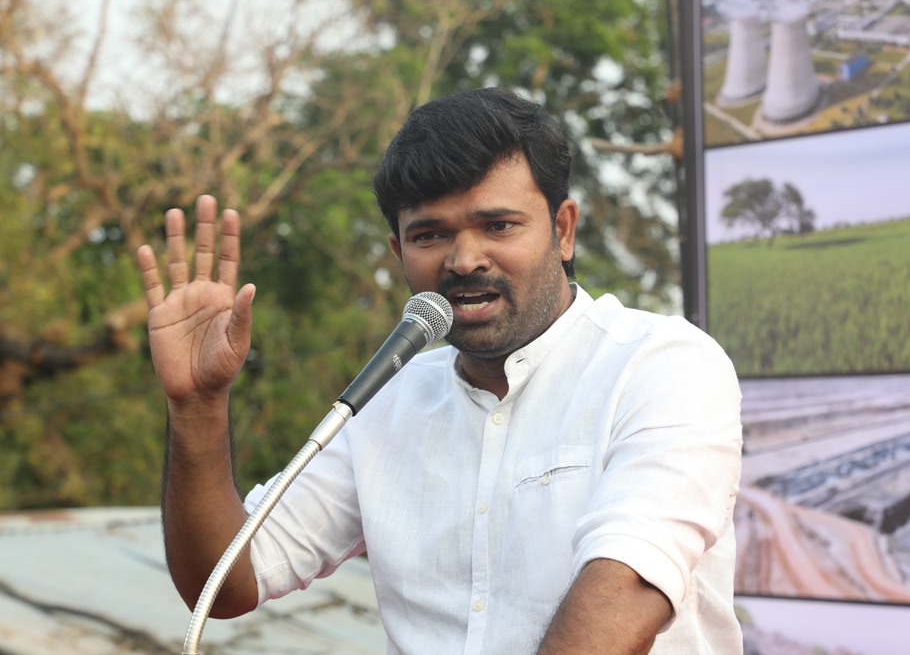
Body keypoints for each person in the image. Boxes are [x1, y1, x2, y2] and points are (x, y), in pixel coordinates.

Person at [137, 87, 743, 654]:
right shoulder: (387, 401)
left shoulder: (662, 366)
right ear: (399, 253)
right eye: (430, 235)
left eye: (498, 225)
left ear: (562, 231)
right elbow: (226, 581)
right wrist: (197, 406)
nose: (464, 260)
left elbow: (624, 589)